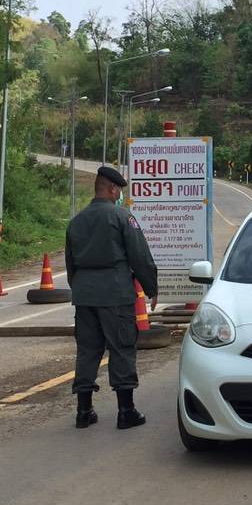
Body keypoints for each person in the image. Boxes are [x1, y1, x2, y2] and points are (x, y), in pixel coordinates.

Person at [65, 165, 158, 430]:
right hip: (115, 293)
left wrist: (81, 289)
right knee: (122, 347)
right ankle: (126, 411)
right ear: (113, 189)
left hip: (84, 295)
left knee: (87, 350)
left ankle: (84, 412)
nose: (119, 195)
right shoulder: (121, 217)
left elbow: (70, 263)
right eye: (119, 190)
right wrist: (151, 287)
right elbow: (139, 256)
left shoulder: (76, 221)